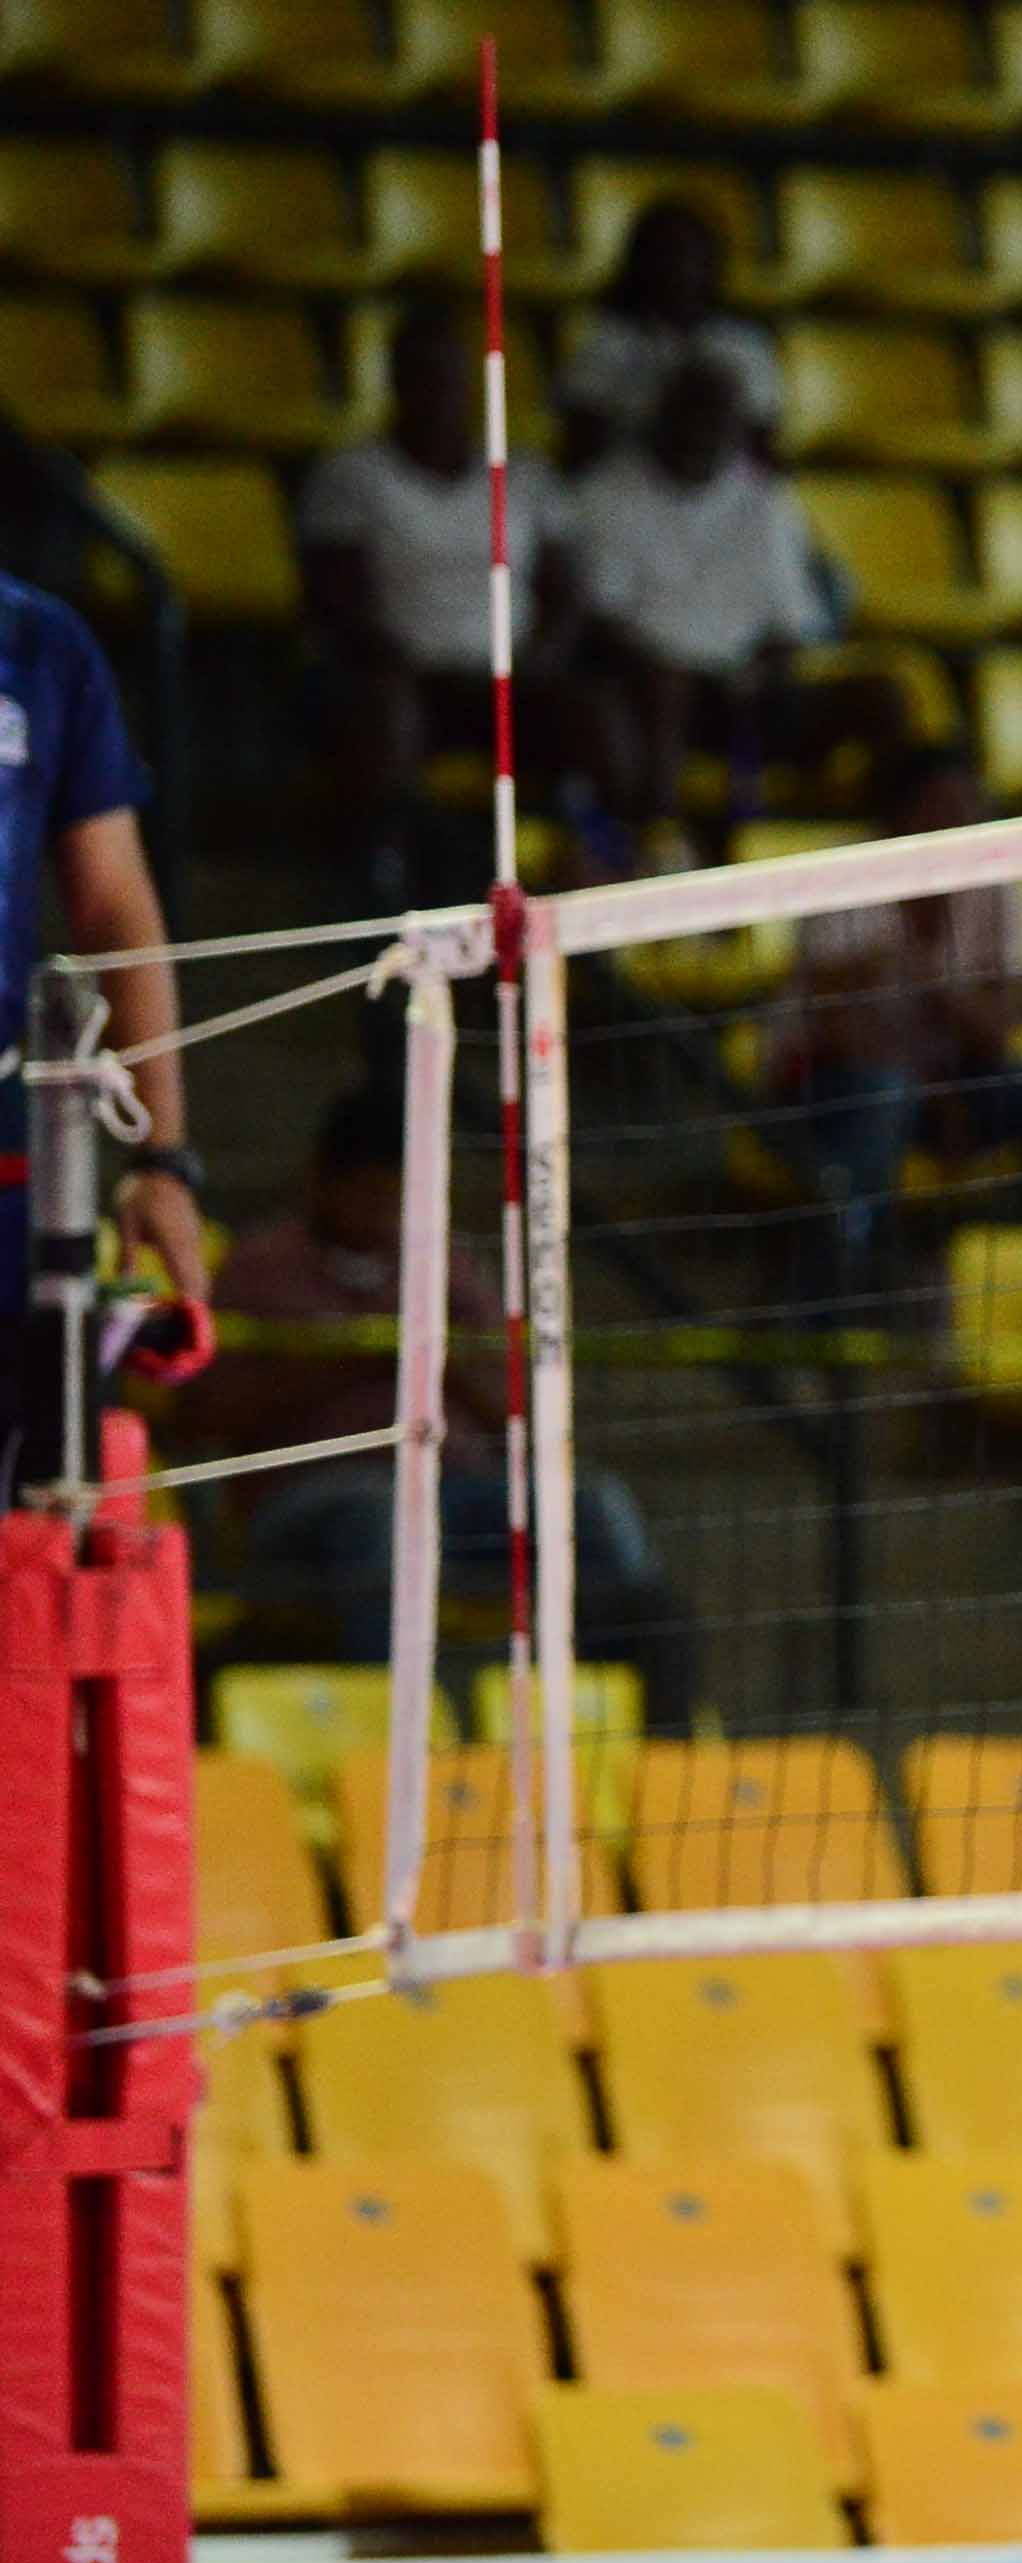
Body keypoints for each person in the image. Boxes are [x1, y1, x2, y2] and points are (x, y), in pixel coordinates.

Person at [183, 1082, 691, 1726]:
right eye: (370, 1193)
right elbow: (203, 1415)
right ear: (322, 1181)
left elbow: (516, 1408)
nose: (385, 1213)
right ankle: (389, 1727)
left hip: (455, 1495)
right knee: (385, 1514)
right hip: (305, 1507)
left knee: (592, 1505)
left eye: (399, 1195)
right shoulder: (260, 1270)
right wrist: (354, 1353)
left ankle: (650, 1724)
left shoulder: (441, 1266)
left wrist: (440, 1355)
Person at [0, 568, 207, 1488]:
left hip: (8, 1159)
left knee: (35, 1500)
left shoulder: (39, 644)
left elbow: (116, 907)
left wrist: (162, 1160)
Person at [303, 304, 620, 902]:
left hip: (511, 678)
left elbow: (566, 593)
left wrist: (543, 656)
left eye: (447, 377)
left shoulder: (524, 475)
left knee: (592, 712)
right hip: (406, 677)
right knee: (383, 711)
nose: (437, 393)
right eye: (420, 377)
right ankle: (389, 869)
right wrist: (389, 655)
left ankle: (588, 858)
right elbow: (336, 599)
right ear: (396, 385)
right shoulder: (351, 476)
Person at [767, 746, 1022, 1305]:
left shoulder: (997, 888)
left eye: (970, 808)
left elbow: (998, 1032)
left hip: (942, 1082)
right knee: (883, 1095)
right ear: (901, 813)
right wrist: (936, 1090)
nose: (960, 821)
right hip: (823, 1087)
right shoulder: (846, 879)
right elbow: (838, 1033)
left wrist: (933, 985)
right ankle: (845, 1293)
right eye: (943, 807)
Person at [577, 357, 909, 861]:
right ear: (663, 415)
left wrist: (761, 669)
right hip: (652, 692)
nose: (704, 431)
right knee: (665, 689)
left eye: (718, 418)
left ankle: (890, 852)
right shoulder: (606, 495)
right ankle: (658, 846)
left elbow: (794, 626)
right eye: (693, 413)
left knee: (883, 696)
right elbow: (600, 625)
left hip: (750, 692)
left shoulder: (765, 502)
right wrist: (671, 665)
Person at [557, 195, 784, 469]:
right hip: (626, 482)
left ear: (711, 261)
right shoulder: (605, 341)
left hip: (719, 485)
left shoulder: (743, 344)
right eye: (663, 254)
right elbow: (579, 444)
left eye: (689, 255)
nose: (677, 267)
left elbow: (761, 445)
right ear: (639, 262)